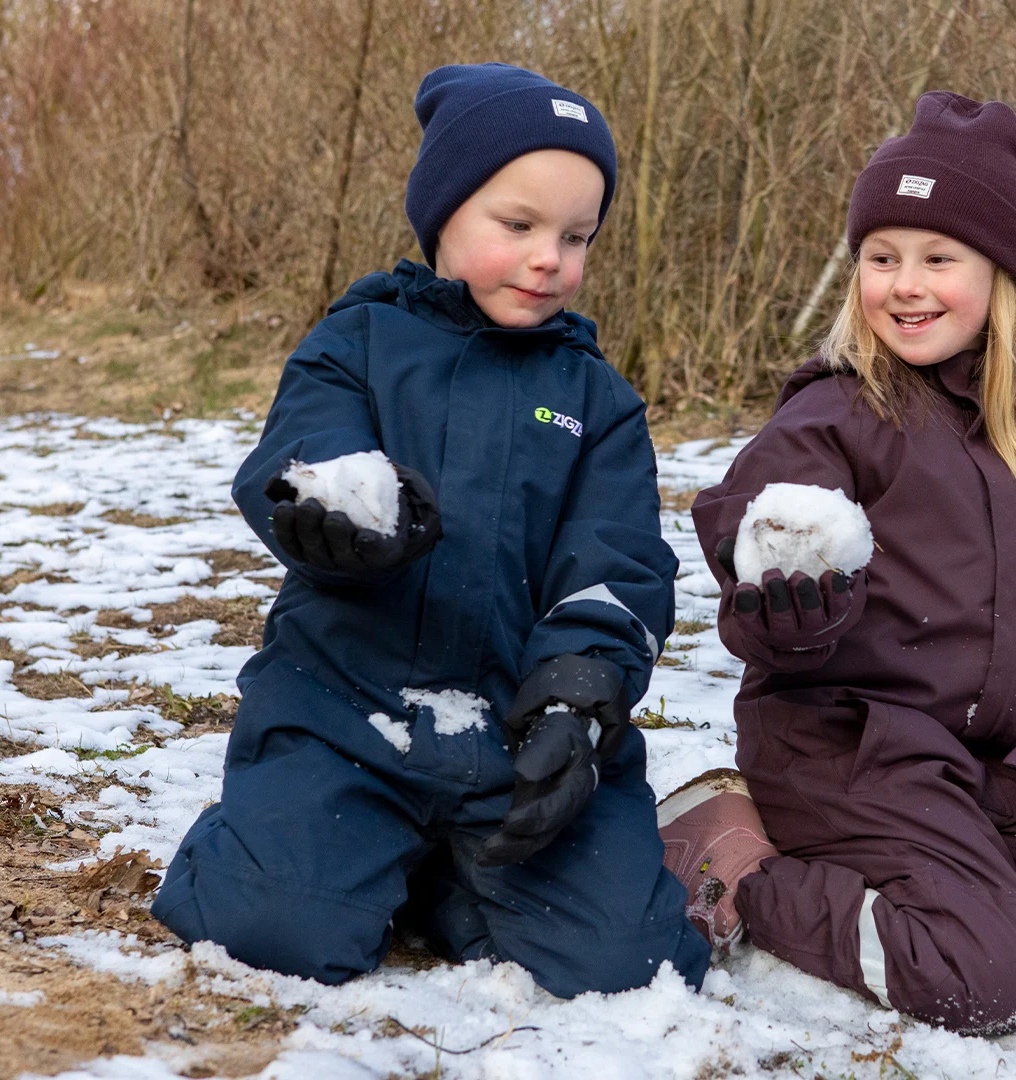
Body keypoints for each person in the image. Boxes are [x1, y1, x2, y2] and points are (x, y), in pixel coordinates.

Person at [152, 62, 709, 996]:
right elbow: (302, 450)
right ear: (444, 215)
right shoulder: (357, 343)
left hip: (515, 737)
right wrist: (336, 506)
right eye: (519, 226)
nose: (549, 260)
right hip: (344, 712)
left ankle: (443, 873)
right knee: (270, 930)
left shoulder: (596, 402)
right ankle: (295, 842)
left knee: (630, 965)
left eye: (577, 238)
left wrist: (578, 697)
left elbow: (617, 563)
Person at [661, 91, 1016, 1033]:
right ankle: (738, 870)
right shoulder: (835, 416)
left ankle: (949, 877)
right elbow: (753, 524)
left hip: (988, 764)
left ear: (1000, 277)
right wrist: (784, 599)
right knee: (985, 978)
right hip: (848, 751)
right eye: (881, 259)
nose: (906, 283)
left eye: (940, 258)